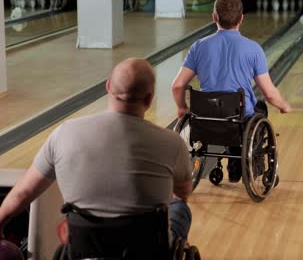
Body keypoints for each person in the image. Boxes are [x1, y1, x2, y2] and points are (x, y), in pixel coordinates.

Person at [0, 58, 193, 258]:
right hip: (148, 250)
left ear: (108, 86)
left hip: (84, 249)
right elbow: (183, 192)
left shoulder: (65, 134)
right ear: (149, 98)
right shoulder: (172, 142)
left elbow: (22, 194)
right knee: (179, 206)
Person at [172, 0, 290, 183]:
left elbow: (177, 85)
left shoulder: (198, 47)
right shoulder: (254, 49)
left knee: (232, 112)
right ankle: (249, 170)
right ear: (241, 18)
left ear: (214, 17)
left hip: (205, 117)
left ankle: (233, 167)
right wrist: (283, 105)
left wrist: (181, 107)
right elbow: (269, 94)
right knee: (259, 109)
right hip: (239, 118)